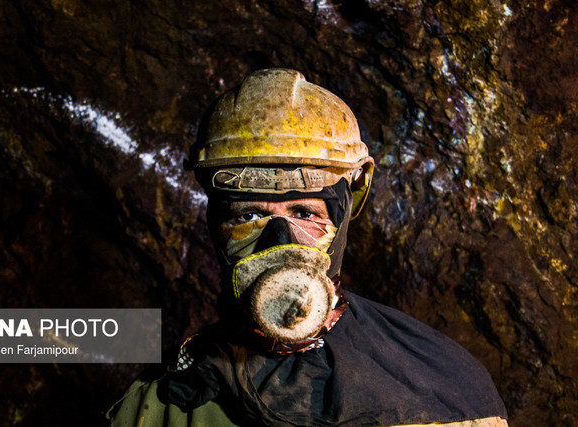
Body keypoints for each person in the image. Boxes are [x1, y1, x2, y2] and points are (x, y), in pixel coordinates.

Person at [108, 68, 508, 426]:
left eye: (304, 212)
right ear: (216, 226)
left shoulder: (443, 393)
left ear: (346, 210)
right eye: (248, 216)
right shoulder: (162, 405)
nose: (279, 242)